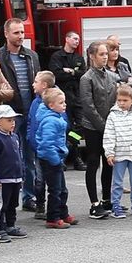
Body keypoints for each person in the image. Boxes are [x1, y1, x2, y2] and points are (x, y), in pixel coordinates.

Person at [0, 18, 40, 212]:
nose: (21, 36)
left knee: (30, 157)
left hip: (30, 111)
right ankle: (11, 197)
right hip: (11, 113)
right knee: (13, 157)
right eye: (16, 33)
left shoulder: (31, 56)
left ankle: (29, 196)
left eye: (22, 32)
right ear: (6, 34)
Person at [79, 41, 118, 219]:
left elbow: (115, 101)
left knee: (109, 162)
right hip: (92, 127)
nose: (105, 57)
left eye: (105, 54)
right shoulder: (86, 78)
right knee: (93, 161)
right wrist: (103, 126)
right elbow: (88, 106)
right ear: (92, 56)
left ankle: (107, 199)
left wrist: (112, 124)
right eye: (101, 54)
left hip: (109, 125)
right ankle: (94, 203)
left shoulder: (111, 76)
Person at [103, 85, 132, 219]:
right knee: (117, 182)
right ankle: (116, 205)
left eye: (125, 100)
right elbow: (109, 135)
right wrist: (109, 153)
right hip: (120, 155)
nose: (122, 103)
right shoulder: (112, 116)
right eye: (119, 100)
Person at [35, 88, 78, 229]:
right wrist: (54, 160)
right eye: (61, 103)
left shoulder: (56, 117)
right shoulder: (50, 121)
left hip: (56, 158)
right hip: (50, 160)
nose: (65, 105)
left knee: (62, 189)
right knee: (55, 190)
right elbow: (46, 144)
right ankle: (53, 218)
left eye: (64, 102)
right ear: (51, 105)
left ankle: (63, 213)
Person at [48, 31, 87, 171]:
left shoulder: (78, 58)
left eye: (78, 39)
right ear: (67, 39)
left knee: (81, 126)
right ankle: (74, 158)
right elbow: (56, 75)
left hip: (77, 98)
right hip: (62, 99)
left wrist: (71, 72)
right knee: (65, 127)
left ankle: (71, 143)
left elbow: (83, 74)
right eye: (75, 38)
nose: (77, 41)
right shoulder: (57, 57)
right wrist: (72, 74)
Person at [0, 105, 27, 241]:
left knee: (13, 203)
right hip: (3, 179)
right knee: (1, 205)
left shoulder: (15, 137)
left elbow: (20, 156)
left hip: (16, 178)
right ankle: (0, 228)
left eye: (13, 120)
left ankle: (11, 225)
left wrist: (22, 174)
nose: (13, 123)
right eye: (9, 120)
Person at [27, 71, 56, 220]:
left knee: (53, 180)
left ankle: (55, 208)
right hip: (37, 148)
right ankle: (40, 205)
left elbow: (63, 123)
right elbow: (31, 122)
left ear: (44, 85)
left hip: (51, 150)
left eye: (35, 81)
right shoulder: (35, 102)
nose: (32, 84)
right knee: (39, 179)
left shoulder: (56, 101)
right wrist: (30, 138)